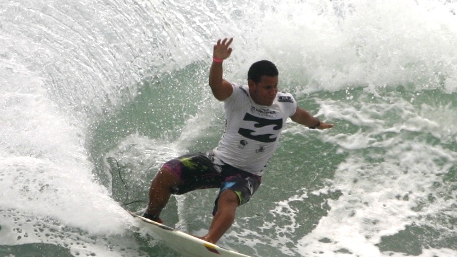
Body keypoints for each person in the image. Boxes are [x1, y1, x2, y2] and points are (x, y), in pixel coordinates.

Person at [142, 37, 333, 244]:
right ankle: (150, 218)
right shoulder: (238, 96)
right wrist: (217, 61)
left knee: (229, 198)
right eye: (268, 87)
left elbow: (299, 115)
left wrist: (316, 124)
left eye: (275, 86)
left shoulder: (284, 102)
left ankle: (208, 241)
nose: (273, 92)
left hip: (248, 174)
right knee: (167, 172)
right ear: (252, 85)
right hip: (217, 162)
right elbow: (216, 87)